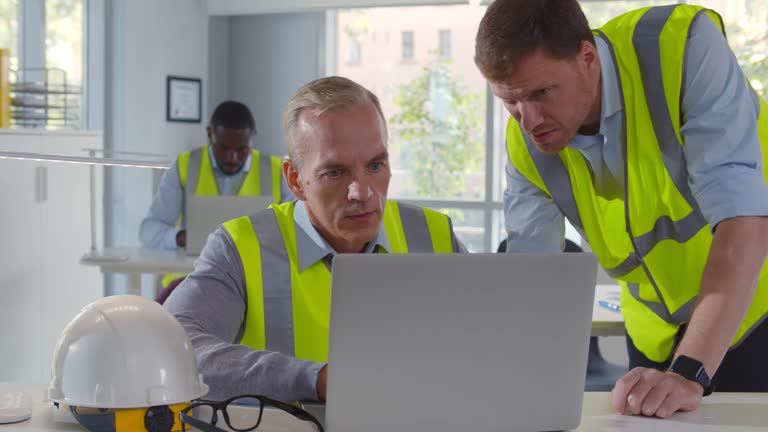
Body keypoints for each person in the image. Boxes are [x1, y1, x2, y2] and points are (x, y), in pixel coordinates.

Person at [475, 0, 768, 419]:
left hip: (755, 305)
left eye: (542, 92)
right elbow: (531, 277)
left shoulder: (682, 47)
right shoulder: (525, 145)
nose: (530, 120)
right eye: (510, 102)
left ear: (587, 58)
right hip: (653, 330)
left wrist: (689, 371)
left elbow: (744, 218)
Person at [163, 76, 466, 402]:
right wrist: (316, 380)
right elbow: (171, 347)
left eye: (376, 165)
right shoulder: (239, 247)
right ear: (295, 179)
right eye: (335, 172)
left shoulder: (434, 235)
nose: (362, 193)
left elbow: (487, 341)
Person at [139, 100, 288, 252]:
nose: (232, 158)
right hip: (191, 272)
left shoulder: (278, 171)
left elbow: (297, 231)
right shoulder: (184, 166)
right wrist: (182, 238)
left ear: (253, 138)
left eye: (241, 149)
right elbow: (149, 230)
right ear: (210, 134)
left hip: (255, 273)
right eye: (223, 148)